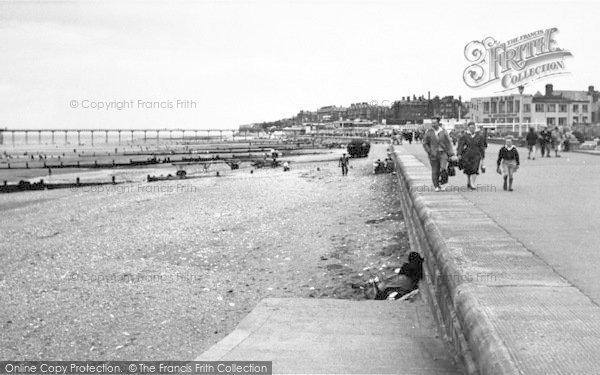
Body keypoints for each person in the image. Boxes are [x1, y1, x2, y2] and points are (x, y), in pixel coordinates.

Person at [422, 117, 457, 192]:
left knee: (443, 168)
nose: (433, 124)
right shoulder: (429, 132)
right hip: (433, 154)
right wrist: (429, 151)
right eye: (432, 123)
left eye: (434, 122)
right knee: (435, 170)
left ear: (438, 123)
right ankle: (436, 185)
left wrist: (452, 154)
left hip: (443, 153)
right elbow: (425, 143)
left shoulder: (443, 131)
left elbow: (448, 143)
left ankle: (442, 182)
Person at [456, 122, 486, 190]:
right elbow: (460, 146)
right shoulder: (464, 136)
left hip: (476, 154)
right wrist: (459, 154)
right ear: (468, 128)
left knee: (475, 169)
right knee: (468, 169)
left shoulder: (479, 136)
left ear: (475, 127)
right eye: (470, 127)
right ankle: (469, 181)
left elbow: (482, 147)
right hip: (467, 154)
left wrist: (483, 156)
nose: (472, 129)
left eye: (473, 127)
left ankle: (473, 183)